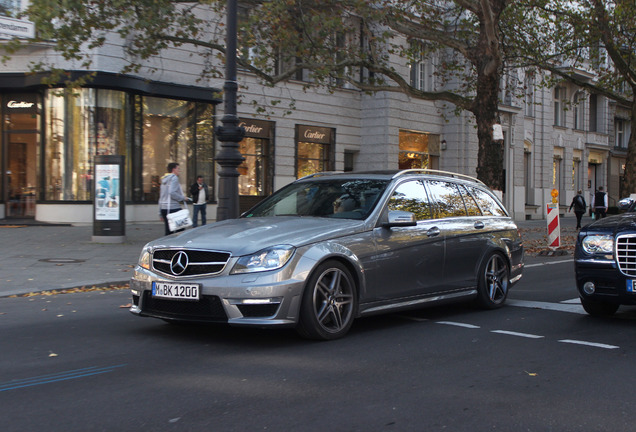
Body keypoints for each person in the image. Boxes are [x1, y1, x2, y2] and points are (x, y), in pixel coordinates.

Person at [159, 162, 189, 235]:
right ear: (173, 169)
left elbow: (161, 196)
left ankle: (166, 244)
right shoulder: (174, 178)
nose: (179, 170)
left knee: (169, 231)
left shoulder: (164, 180)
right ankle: (177, 245)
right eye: (178, 169)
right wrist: (183, 198)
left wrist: (160, 212)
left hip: (164, 208)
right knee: (180, 229)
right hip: (173, 207)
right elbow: (172, 193)